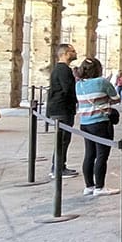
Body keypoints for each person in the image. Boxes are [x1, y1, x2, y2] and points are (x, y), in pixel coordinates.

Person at [75, 56, 119, 196]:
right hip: (100, 122)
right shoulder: (101, 82)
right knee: (102, 155)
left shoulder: (79, 84)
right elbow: (116, 98)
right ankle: (100, 187)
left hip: (85, 123)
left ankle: (89, 186)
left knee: (89, 154)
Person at [44, 43, 80, 179]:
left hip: (60, 108)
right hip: (62, 109)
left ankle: (59, 166)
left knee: (63, 140)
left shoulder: (60, 69)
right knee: (63, 140)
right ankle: (57, 168)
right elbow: (68, 90)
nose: (75, 53)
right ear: (65, 53)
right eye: (72, 51)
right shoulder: (63, 70)